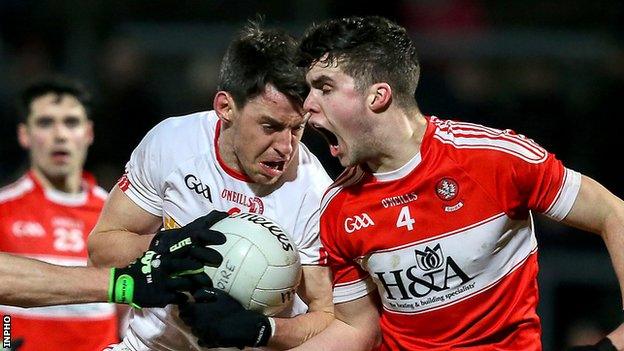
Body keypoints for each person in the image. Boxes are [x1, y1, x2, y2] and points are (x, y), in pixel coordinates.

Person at [292, 16, 624, 351]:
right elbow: (356, 329)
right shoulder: (338, 206)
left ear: (378, 95)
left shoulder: (495, 159)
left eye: (325, 88)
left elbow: (613, 213)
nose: (307, 106)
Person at [88, 21, 334, 351]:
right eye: (270, 126)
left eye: (297, 128)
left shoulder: (315, 193)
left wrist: (262, 329)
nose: (285, 147)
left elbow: (328, 317)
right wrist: (165, 246)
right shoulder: (172, 143)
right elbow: (101, 250)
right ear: (225, 107)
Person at [0, 77, 118, 351]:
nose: (60, 135)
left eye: (71, 122)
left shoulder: (118, 216)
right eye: (45, 123)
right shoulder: (3, 210)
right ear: (24, 135)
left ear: (89, 133)